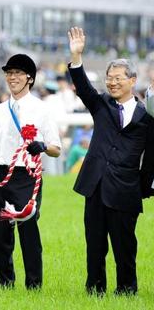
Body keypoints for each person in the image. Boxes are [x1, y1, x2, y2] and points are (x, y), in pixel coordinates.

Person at [0, 54, 61, 289]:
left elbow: (56, 148)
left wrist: (42, 147)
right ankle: (4, 284)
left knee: (29, 232)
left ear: (29, 78)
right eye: (9, 73)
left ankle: (33, 284)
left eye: (17, 73)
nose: (12, 77)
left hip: (26, 175)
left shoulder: (42, 110)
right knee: (1, 234)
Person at [67, 27, 154, 295]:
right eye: (109, 78)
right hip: (95, 186)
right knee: (94, 244)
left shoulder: (147, 114)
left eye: (118, 78)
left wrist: (143, 187)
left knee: (125, 245)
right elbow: (82, 87)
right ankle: (95, 290)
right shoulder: (101, 104)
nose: (112, 82)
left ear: (132, 80)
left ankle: (126, 290)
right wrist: (77, 57)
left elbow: (150, 156)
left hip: (126, 190)